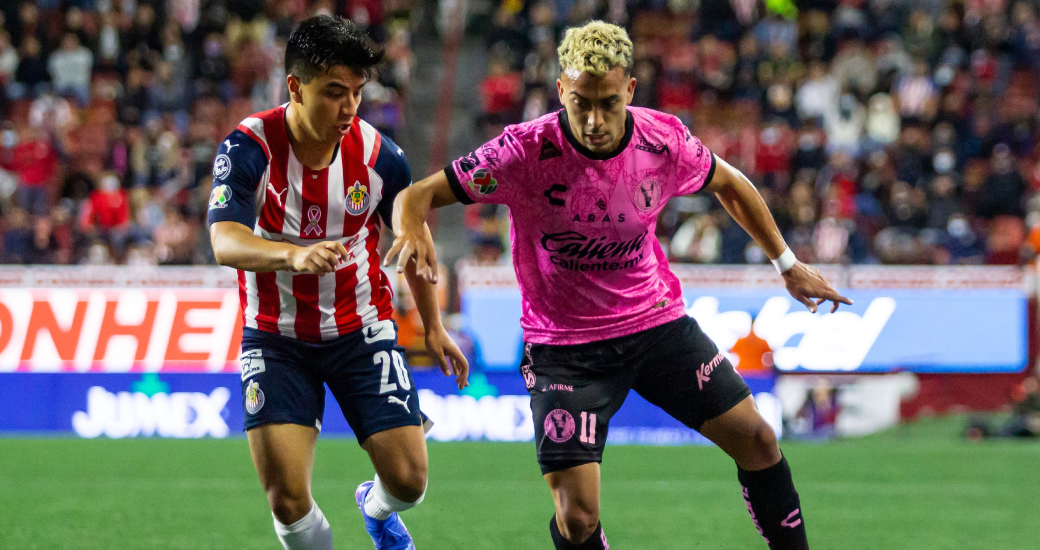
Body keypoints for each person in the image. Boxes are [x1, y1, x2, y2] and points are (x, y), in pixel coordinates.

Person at [388, 21, 850, 550]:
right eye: (580, 101)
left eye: (608, 102)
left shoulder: (663, 140)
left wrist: (786, 261)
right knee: (577, 519)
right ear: (561, 89)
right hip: (565, 349)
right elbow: (416, 196)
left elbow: (729, 182)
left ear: (630, 90)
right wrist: (409, 227)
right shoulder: (522, 153)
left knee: (760, 440)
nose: (593, 119)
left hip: (656, 327)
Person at [207, 16, 469, 550]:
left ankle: (374, 509)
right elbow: (224, 241)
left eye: (356, 92)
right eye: (333, 92)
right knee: (287, 499)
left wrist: (434, 325)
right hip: (276, 337)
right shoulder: (249, 147)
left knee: (409, 483)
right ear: (295, 88)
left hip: (360, 331)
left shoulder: (380, 158)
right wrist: (292, 257)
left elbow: (414, 242)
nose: (349, 107)